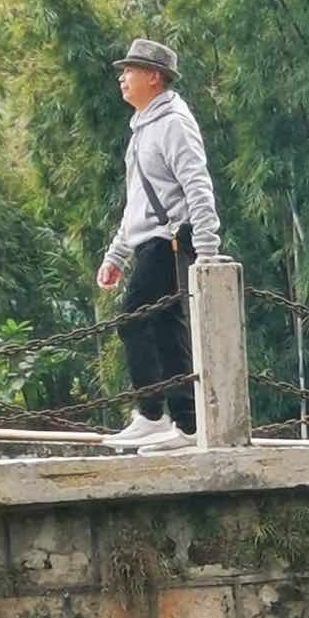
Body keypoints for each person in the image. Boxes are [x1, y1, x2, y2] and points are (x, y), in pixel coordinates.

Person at [98, 37, 222, 452]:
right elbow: (137, 202)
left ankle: (151, 414)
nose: (122, 77)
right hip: (150, 242)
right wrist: (116, 253)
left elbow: (197, 184)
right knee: (166, 330)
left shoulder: (173, 122)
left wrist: (206, 248)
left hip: (171, 239)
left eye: (130, 70)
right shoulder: (143, 129)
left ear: (154, 77)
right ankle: (187, 425)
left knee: (134, 319)